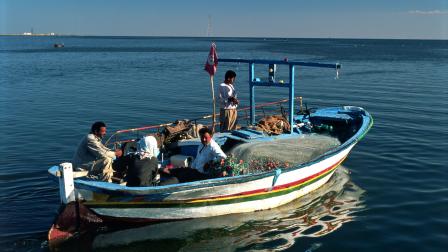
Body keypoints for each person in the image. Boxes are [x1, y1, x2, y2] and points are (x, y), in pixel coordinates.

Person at [163, 127, 227, 183]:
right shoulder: (201, 144)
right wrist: (191, 168)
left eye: (206, 138)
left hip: (202, 175)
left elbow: (223, 156)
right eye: (202, 137)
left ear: (210, 137)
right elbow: (197, 158)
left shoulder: (213, 146)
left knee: (182, 176)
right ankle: (166, 172)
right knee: (180, 170)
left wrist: (211, 162)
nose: (204, 139)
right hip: (195, 170)